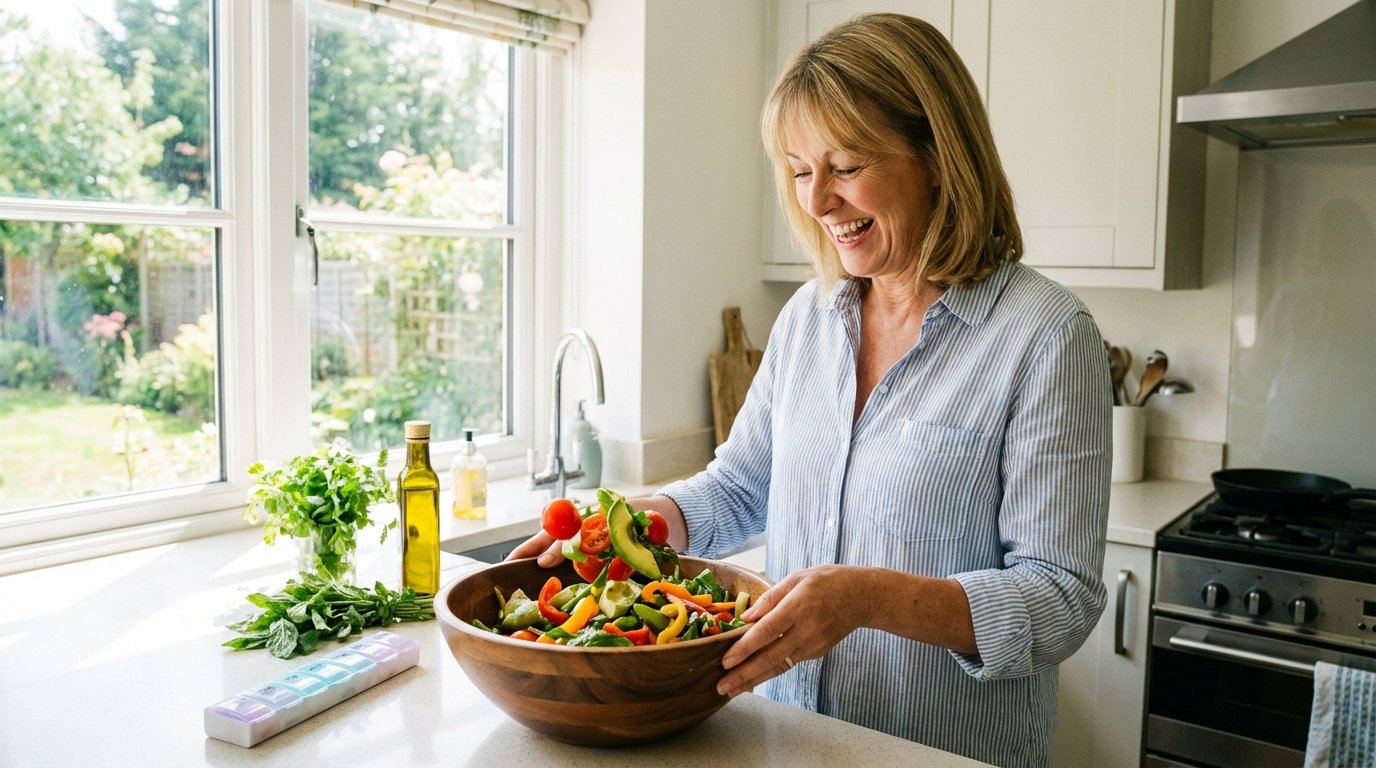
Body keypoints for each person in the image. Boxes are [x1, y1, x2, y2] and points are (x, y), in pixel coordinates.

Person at [511, 12, 1111, 766]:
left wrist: (866, 597)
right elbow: (740, 487)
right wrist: (639, 523)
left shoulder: (1047, 336)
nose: (817, 201)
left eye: (846, 165)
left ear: (937, 155)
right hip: (789, 741)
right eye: (799, 171)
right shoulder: (808, 317)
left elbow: (1061, 600)